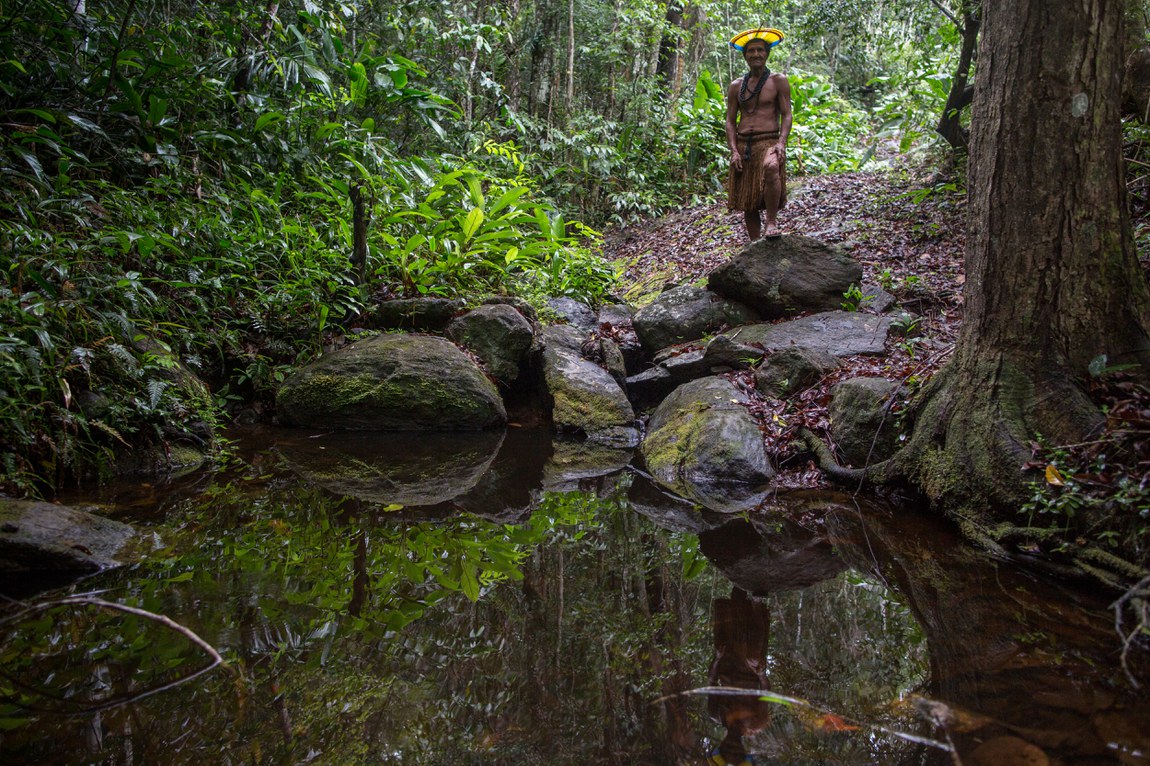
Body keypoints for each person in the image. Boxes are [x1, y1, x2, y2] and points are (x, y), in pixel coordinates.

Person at [725, 27, 792, 240]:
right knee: (748, 197)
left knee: (771, 167)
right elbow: (730, 121)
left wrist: (781, 143)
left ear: (767, 53)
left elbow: (787, 115)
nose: (756, 54)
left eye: (760, 50)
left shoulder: (778, 81)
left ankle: (771, 223)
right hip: (744, 145)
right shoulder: (736, 86)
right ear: (745, 56)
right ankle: (755, 244)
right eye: (751, 51)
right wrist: (734, 150)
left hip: (769, 140)